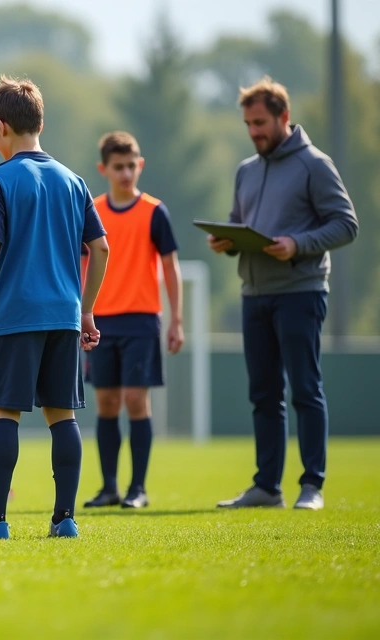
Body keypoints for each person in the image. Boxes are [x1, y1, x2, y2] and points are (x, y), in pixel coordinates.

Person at [0, 76, 109, 541]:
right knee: (64, 416)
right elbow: (99, 248)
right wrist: (86, 309)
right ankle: (65, 520)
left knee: (4, 414)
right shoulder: (74, 180)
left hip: (14, 317)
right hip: (63, 316)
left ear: (2, 127)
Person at [208, 77, 358, 511]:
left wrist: (298, 243)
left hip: (300, 291)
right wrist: (227, 240)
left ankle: (312, 486)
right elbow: (240, 221)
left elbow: (346, 224)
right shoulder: (246, 170)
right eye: (248, 124)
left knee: (305, 390)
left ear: (283, 117)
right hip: (254, 294)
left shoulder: (315, 164)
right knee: (263, 394)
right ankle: (266, 487)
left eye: (260, 123)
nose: (254, 132)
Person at [82, 131, 183, 510]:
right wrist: (82, 310)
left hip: (142, 320)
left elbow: (170, 267)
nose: (126, 173)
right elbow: (82, 263)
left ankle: (137, 488)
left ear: (140, 165)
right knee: (106, 402)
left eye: (131, 165)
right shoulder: (92, 210)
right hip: (101, 320)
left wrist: (177, 321)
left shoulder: (155, 212)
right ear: (103, 169)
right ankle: (109, 487)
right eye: (118, 167)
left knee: (136, 401)